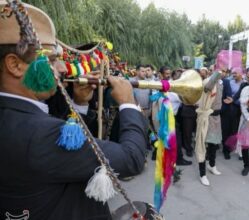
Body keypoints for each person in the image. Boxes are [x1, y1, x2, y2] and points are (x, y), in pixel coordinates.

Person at [0, 1, 148, 219]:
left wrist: (79, 102)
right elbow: (132, 158)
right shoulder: (39, 134)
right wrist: (128, 103)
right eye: (51, 59)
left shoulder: (17, 119)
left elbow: (65, 154)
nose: (61, 68)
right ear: (15, 65)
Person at [195, 70, 225, 186]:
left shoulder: (221, 83)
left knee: (214, 144)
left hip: (216, 118)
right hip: (206, 118)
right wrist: (218, 72)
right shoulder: (207, 82)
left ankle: (211, 165)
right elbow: (208, 86)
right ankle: (202, 174)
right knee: (202, 145)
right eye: (219, 70)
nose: (222, 72)